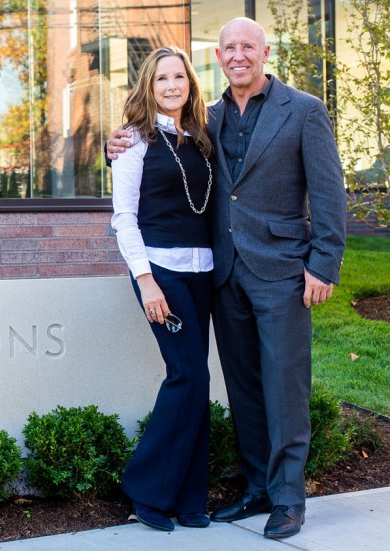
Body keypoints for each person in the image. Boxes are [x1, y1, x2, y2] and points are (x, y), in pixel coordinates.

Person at [107, 18, 347, 539]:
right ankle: (258, 486)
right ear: (217, 57)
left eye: (248, 47)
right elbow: (156, 151)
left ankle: (288, 499)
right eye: (229, 48)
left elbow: (330, 195)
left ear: (263, 52)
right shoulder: (204, 120)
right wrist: (118, 142)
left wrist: (324, 263)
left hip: (284, 271)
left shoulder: (304, 110)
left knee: (284, 385)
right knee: (241, 386)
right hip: (224, 272)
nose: (239, 55)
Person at [110, 45, 215, 533]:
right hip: (161, 274)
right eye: (161, 80)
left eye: (179, 77)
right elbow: (123, 218)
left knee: (199, 382)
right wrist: (146, 280)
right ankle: (146, 492)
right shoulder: (133, 141)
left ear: (190, 82)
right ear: (148, 87)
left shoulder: (201, 136)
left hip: (204, 273)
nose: (172, 86)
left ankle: (191, 498)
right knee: (186, 375)